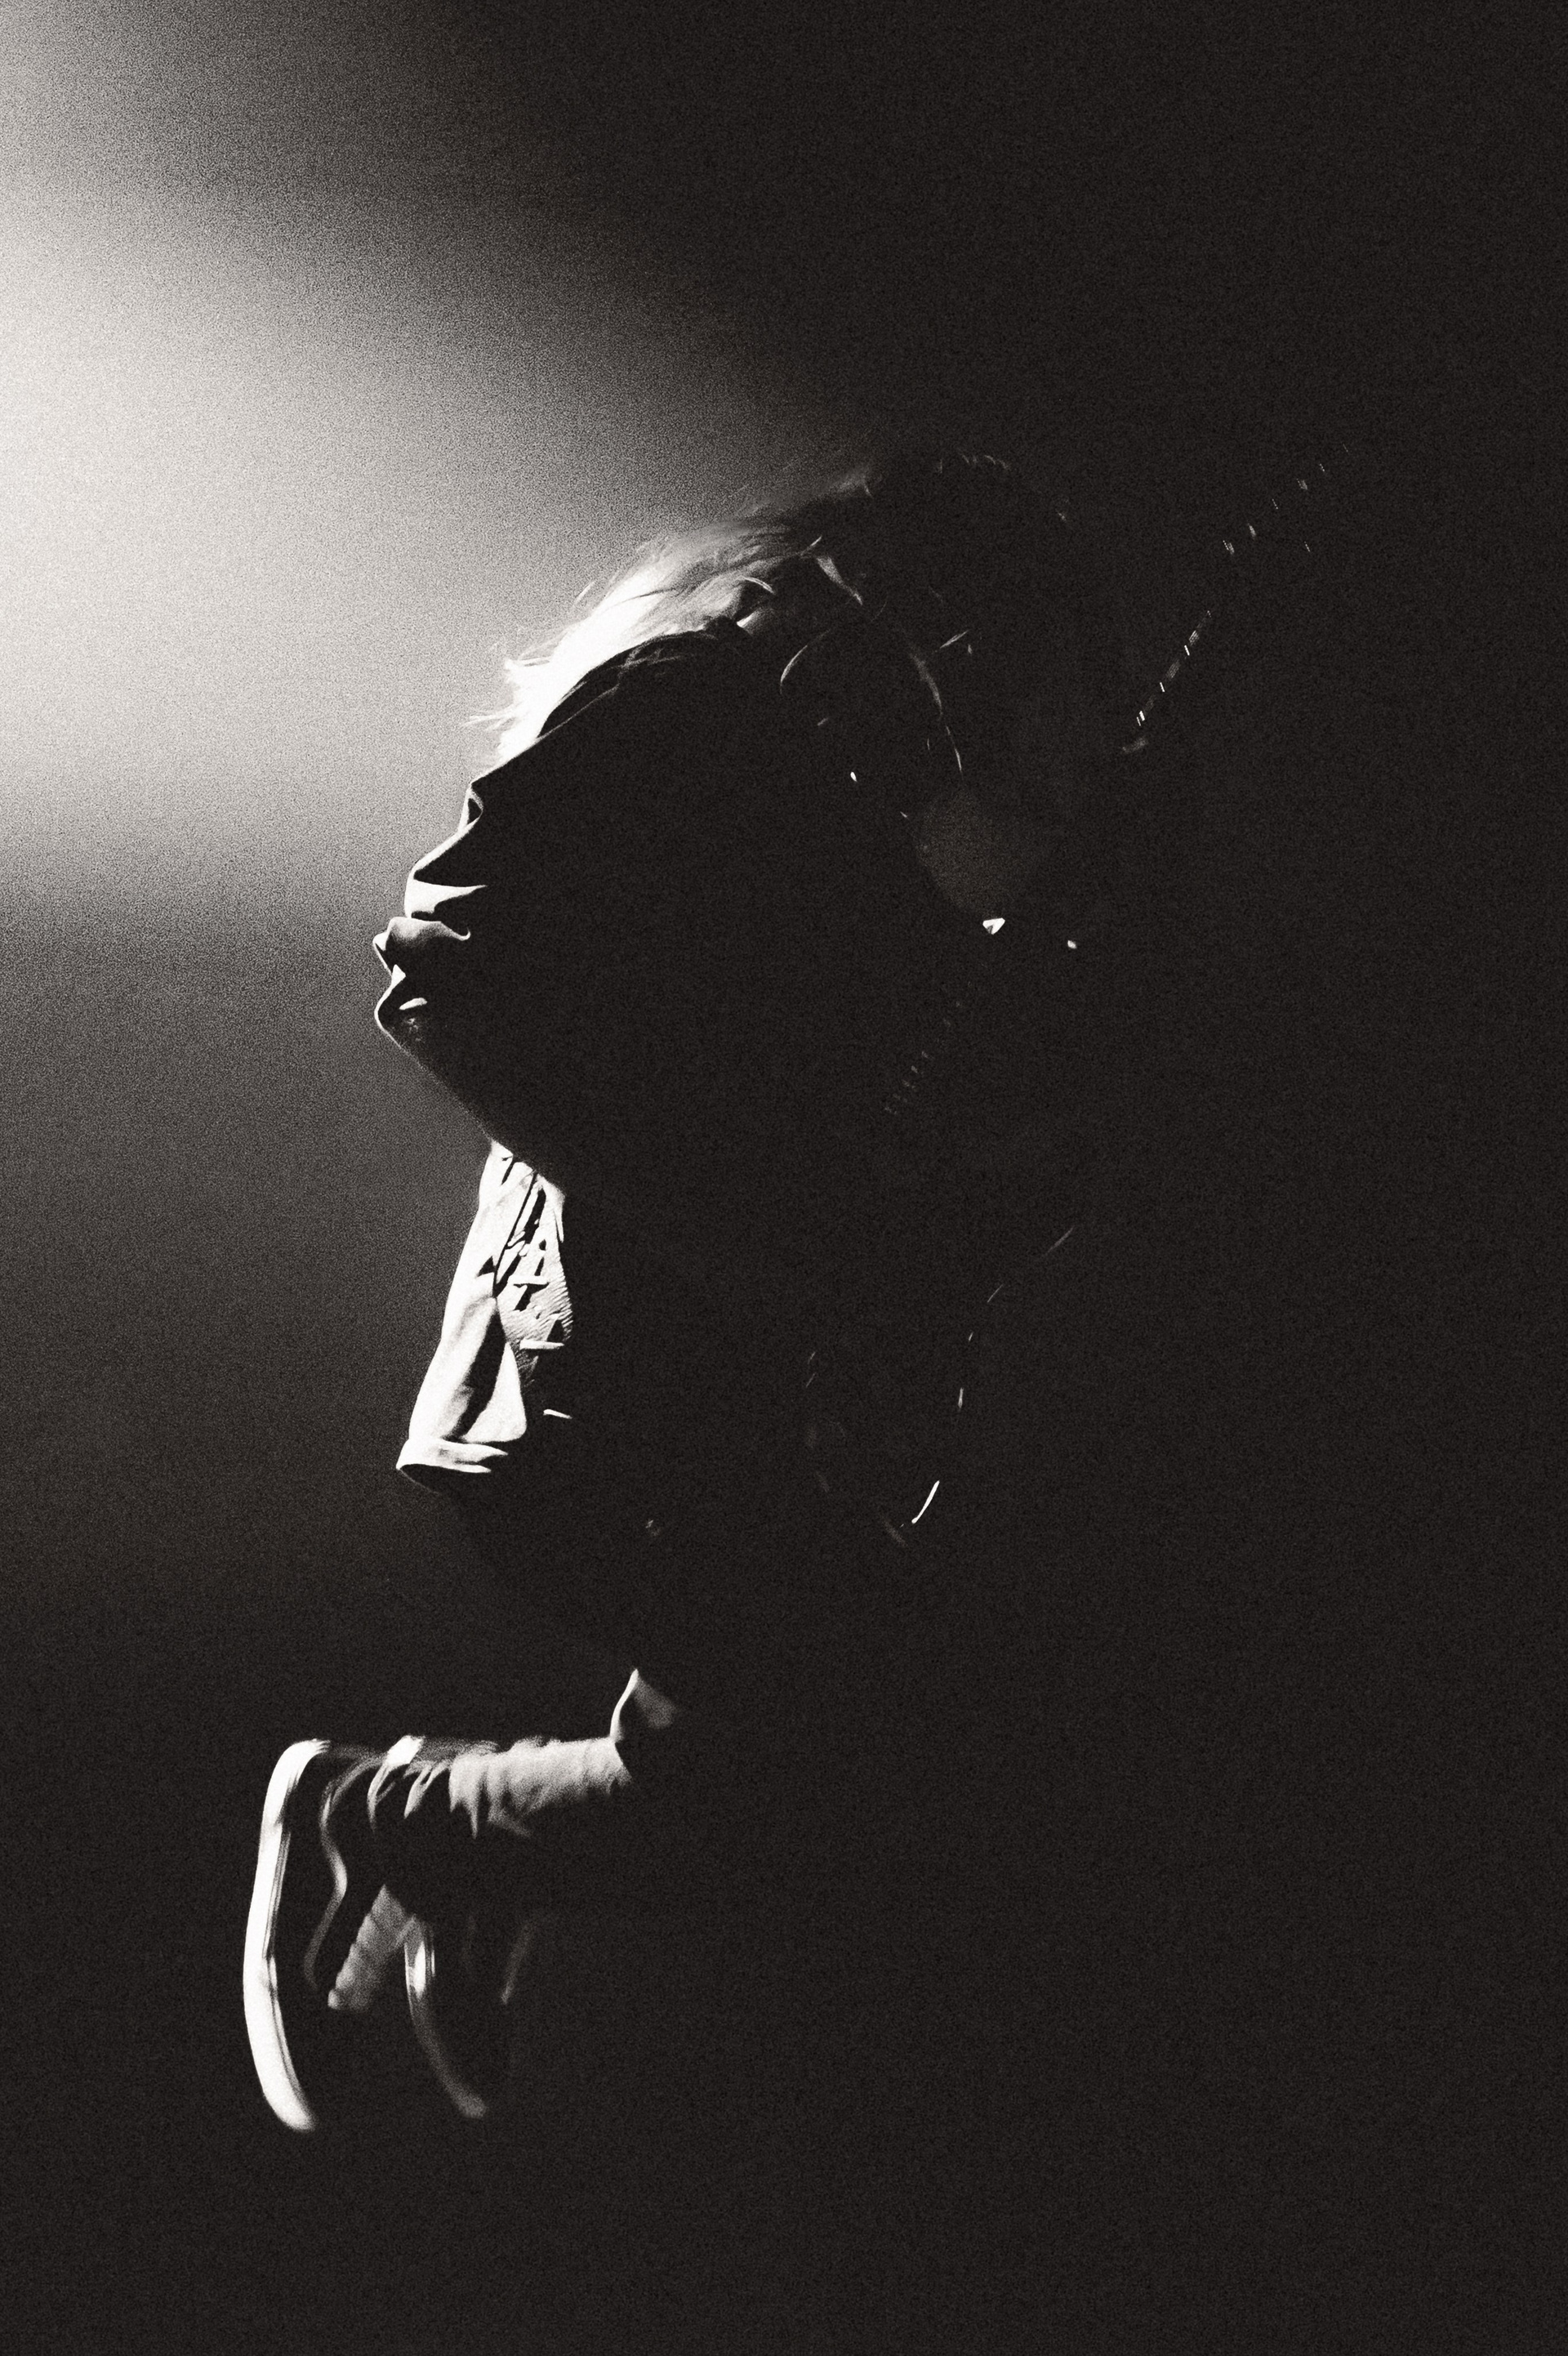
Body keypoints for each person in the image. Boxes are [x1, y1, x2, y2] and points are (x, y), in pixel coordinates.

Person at [243, 447, 1149, 2134]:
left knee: (799, 1772)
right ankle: (391, 1824)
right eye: (1022, 663)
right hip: (612, 1392)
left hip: (715, 1395)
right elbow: (451, 963)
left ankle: (438, 1838)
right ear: (940, 617)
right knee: (823, 1776)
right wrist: (749, 1226)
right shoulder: (704, 708)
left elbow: (891, 1114)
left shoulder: (834, 794)